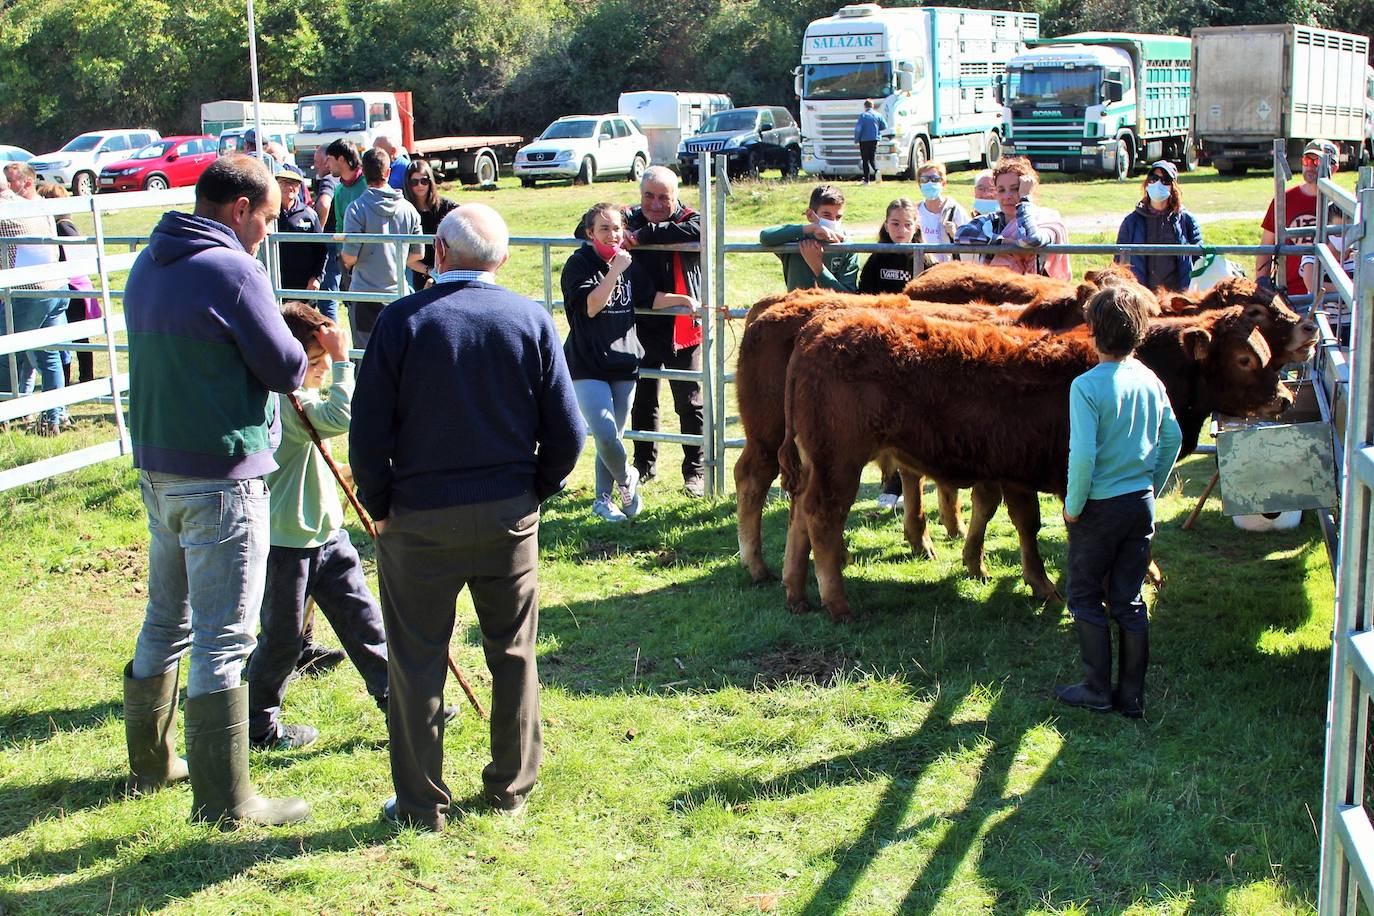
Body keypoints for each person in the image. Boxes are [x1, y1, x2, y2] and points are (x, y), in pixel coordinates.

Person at [349, 204, 585, 830]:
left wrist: (380, 506)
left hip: (417, 515)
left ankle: (422, 803)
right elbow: (568, 430)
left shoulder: (401, 323)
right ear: (502, 260)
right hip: (508, 510)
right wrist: (535, 490)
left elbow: (367, 433)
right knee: (513, 651)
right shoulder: (529, 319)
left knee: (417, 657)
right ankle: (510, 787)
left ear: (439, 252)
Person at [121, 154, 309, 825]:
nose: (265, 231)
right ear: (238, 210)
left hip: (159, 469)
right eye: (265, 218)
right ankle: (228, 799)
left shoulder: (149, 261)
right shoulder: (233, 269)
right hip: (221, 473)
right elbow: (285, 363)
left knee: (165, 619)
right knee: (224, 638)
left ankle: (151, 762)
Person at [244, 303, 393, 751]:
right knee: (282, 641)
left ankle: (403, 703)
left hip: (328, 534)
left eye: (324, 365)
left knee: (366, 624)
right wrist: (346, 360)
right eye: (313, 363)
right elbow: (339, 417)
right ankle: (257, 725)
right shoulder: (285, 400)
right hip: (288, 541)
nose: (321, 371)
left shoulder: (298, 398)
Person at [1056, 285, 1182, 720]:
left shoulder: (1086, 387)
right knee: (1129, 597)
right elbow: (1173, 438)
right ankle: (1131, 696)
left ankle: (1096, 688)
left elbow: (1084, 454)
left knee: (1086, 593)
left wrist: (1073, 505)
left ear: (1091, 332)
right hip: (1139, 502)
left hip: (1099, 508)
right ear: (1140, 332)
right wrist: (1153, 484)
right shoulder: (1150, 379)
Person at [562, 202, 699, 521]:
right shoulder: (579, 265)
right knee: (606, 433)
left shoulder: (629, 264)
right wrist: (614, 271)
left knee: (613, 437)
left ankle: (603, 500)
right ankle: (628, 479)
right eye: (604, 228)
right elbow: (592, 306)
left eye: (617, 228)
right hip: (587, 362)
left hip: (625, 360)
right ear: (589, 233)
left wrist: (684, 300)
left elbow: (650, 298)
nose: (612, 235)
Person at [621, 167, 706, 497]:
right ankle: (643, 466)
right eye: (649, 196)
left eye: (663, 197)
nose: (655, 204)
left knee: (689, 402)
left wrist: (643, 236)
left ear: (676, 196)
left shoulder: (690, 218)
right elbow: (583, 227)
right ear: (640, 193)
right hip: (640, 324)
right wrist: (629, 227)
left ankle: (695, 472)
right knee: (642, 401)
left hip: (681, 326)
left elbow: (698, 229)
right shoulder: (627, 216)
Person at [859, 197, 922, 510]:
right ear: (885, 225)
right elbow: (864, 299)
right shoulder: (876, 261)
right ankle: (888, 476)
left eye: (908, 224)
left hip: (913, 347)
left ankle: (903, 482)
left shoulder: (925, 259)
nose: (901, 230)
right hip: (882, 343)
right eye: (895, 223)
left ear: (917, 227)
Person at [2, 162, 68, 434]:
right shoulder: (35, 206)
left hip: (27, 292)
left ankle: (7, 414)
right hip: (55, 286)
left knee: (7, 353)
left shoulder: (6, 212)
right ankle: (54, 417)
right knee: (49, 355)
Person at [341, 148, 424, 352]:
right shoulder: (409, 210)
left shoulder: (356, 209)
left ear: (363, 171)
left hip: (364, 295)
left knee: (365, 355)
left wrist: (345, 258)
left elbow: (350, 256)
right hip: (399, 293)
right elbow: (418, 254)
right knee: (399, 354)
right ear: (388, 173)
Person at [954, 157, 1070, 281]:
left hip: (1038, 294)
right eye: (1001, 190)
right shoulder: (993, 220)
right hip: (997, 291)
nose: (1007, 196)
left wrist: (1025, 200)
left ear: (1029, 190)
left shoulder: (1046, 220)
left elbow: (1029, 239)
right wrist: (1003, 242)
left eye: (1015, 189)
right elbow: (961, 234)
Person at [1258, 138, 1338, 297]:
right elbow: (1266, 246)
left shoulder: (1341, 204)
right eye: (1307, 160)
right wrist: (1261, 282)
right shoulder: (1284, 200)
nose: (1310, 166)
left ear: (1334, 167)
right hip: (1289, 293)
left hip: (1328, 293)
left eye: (1317, 162)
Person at [37, 182, 98, 386]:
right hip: (77, 285)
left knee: (73, 335)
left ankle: (79, 377)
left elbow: (72, 253)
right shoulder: (66, 225)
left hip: (73, 286)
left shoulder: (62, 227)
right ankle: (78, 377)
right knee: (76, 336)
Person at [1114, 160, 1202, 293]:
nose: (1158, 184)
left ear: (1173, 187)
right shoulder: (1131, 222)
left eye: (1165, 180)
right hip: (1141, 298)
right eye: (1153, 179)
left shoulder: (1187, 221)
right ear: (1147, 183)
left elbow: (1199, 262)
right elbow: (1118, 263)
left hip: (1177, 300)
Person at [759, 185, 859, 292]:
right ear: (810, 215)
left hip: (829, 307)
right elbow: (765, 236)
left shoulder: (846, 246)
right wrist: (809, 229)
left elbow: (848, 294)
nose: (833, 221)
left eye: (838, 217)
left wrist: (818, 267)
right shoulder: (796, 237)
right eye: (826, 215)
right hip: (795, 306)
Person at [1300, 203, 1357, 343]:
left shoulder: (1359, 255)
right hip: (1325, 322)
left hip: (1355, 323)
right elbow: (1312, 284)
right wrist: (1352, 287)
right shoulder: (1315, 254)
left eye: (1347, 231)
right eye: (1337, 232)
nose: (1342, 237)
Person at [401, 158, 457, 290]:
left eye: (424, 181)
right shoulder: (405, 210)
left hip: (447, 270)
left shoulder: (446, 207)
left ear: (430, 181)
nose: (420, 185)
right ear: (408, 184)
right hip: (419, 271)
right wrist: (429, 271)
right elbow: (404, 254)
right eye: (414, 182)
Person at [273, 163, 327, 295]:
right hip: (275, 282)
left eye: (295, 183)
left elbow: (321, 250)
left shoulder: (309, 214)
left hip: (304, 286)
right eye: (284, 182)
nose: (290, 187)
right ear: (276, 185)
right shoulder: (269, 213)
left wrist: (317, 277)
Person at [911, 162, 969, 264]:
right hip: (921, 267)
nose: (929, 183)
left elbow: (970, 243)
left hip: (947, 269)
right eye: (924, 180)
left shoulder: (955, 211)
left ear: (943, 183)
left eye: (934, 179)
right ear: (919, 185)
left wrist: (955, 234)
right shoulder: (914, 211)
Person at [312, 146, 341, 322]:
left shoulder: (328, 180)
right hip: (342, 243)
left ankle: (331, 343)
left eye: (317, 162)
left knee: (327, 299)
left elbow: (324, 204)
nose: (315, 167)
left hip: (330, 242)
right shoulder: (344, 181)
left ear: (328, 163)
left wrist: (318, 232)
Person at [853, 100, 886, 185]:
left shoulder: (863, 115)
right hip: (874, 139)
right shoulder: (878, 115)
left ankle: (867, 180)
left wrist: (856, 139)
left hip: (864, 140)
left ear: (865, 106)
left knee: (865, 160)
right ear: (873, 106)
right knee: (872, 158)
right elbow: (884, 126)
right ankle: (877, 170)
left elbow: (858, 129)